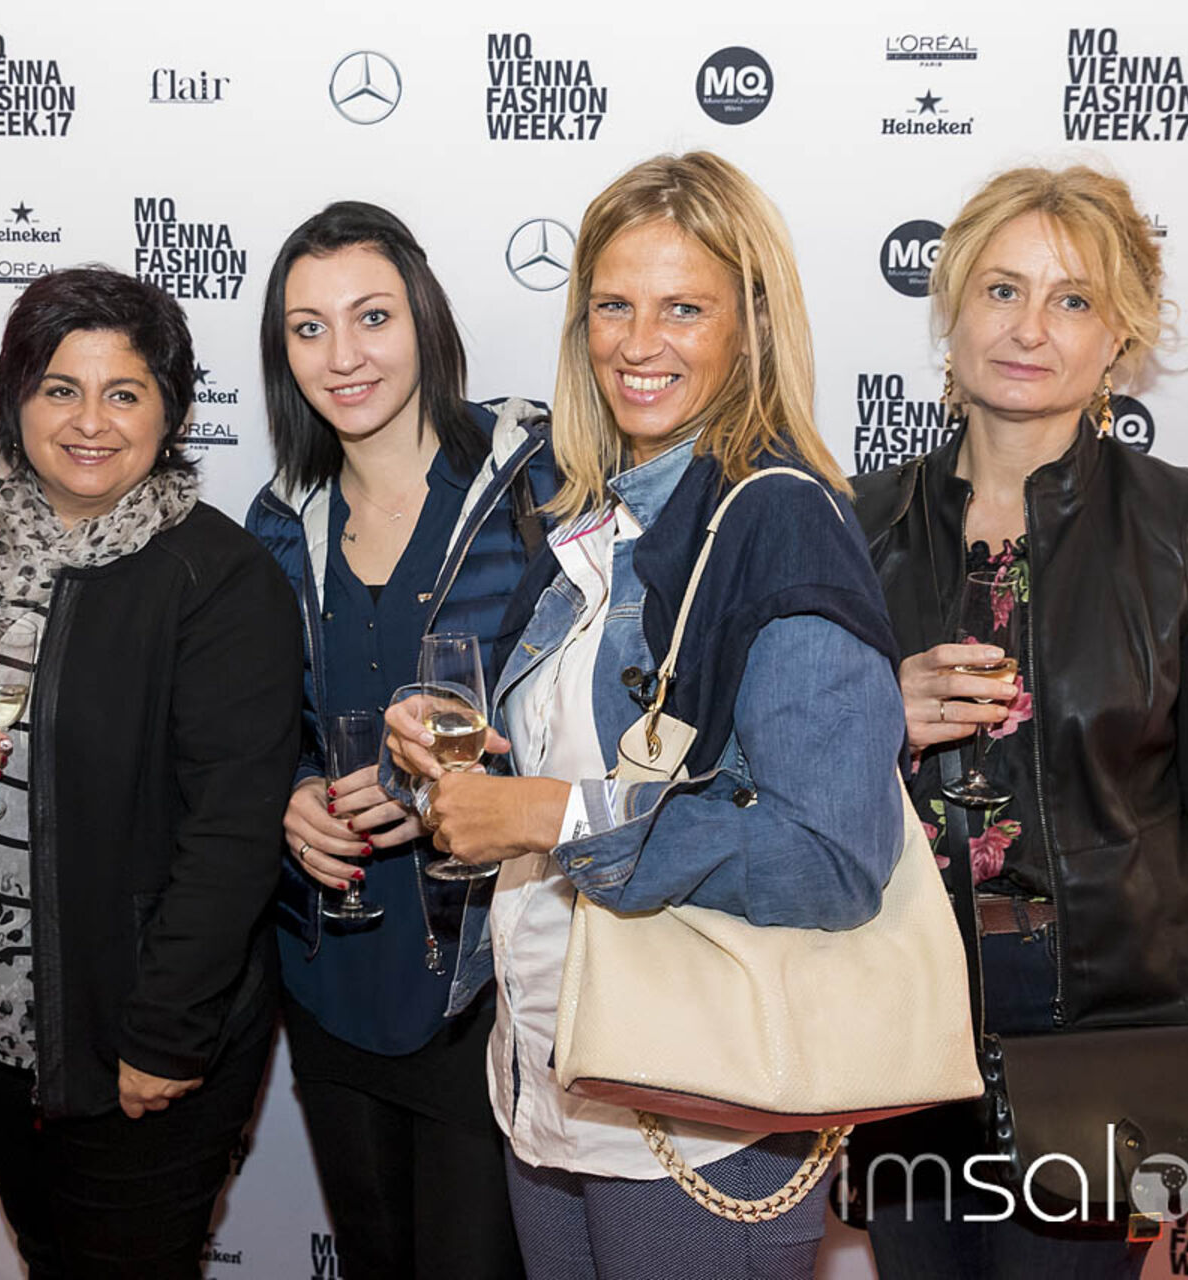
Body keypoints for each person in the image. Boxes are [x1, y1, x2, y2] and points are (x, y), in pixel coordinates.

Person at [383, 152, 907, 1279]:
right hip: (555, 1078)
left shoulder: (779, 523)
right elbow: (572, 762)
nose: (637, 341)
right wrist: (455, 759)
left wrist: (549, 814)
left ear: (751, 327)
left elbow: (830, 856)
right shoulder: (592, 519)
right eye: (612, 305)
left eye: (683, 308)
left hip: (702, 1106)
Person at [847, 165, 1188, 1278]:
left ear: (1119, 340)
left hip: (1113, 1047)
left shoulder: (1185, 526)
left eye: (1073, 300)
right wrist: (872, 717)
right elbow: (787, 789)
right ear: (952, 309)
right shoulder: (856, 522)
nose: (1030, 329)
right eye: (1002, 289)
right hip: (905, 1036)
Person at [0, 265, 301, 1279]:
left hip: (134, 1029)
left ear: (172, 412)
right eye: (59, 389)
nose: (90, 421)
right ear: (16, 401)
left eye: (124, 392)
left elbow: (232, 833)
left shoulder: (220, 578)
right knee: (45, 1256)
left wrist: (166, 1031)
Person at [244, 201, 549, 1278]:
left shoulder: (535, 490)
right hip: (330, 965)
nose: (343, 355)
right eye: (309, 327)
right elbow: (259, 726)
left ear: (423, 317)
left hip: (486, 975)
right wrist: (288, 793)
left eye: (371, 316)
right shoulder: (277, 523)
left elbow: (596, 710)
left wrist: (454, 782)